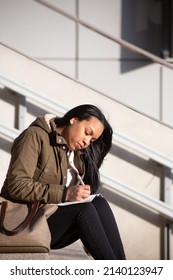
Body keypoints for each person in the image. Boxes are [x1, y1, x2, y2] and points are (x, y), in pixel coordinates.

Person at [0, 104, 126, 260]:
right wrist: (66, 193)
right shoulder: (34, 136)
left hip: (50, 218)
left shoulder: (77, 153)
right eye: (87, 133)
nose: (87, 141)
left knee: (99, 203)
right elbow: (17, 186)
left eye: (92, 140)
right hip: (23, 220)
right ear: (74, 119)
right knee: (84, 210)